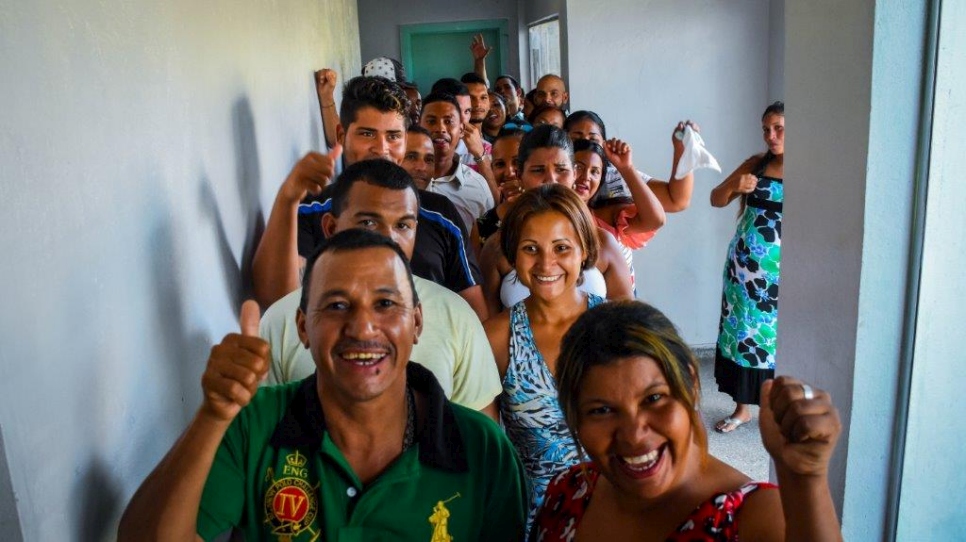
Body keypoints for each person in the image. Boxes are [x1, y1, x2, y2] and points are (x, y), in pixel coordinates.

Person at [118, 229, 528, 540]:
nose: (362, 327)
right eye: (336, 306)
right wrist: (213, 415)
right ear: (303, 328)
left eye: (385, 304)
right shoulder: (256, 423)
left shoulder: (482, 449)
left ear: (417, 323)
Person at [532, 300, 842, 541]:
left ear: (692, 385)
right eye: (601, 410)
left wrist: (806, 480)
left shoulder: (753, 520)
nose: (634, 435)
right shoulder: (568, 492)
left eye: (654, 399)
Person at [261, 159, 501, 421]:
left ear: (417, 321)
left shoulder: (455, 315)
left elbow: (479, 437)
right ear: (331, 228)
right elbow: (261, 433)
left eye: (403, 226)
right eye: (368, 222)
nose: (389, 238)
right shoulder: (282, 319)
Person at [483, 184, 606, 529]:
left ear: (583, 250)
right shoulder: (496, 337)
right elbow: (490, 451)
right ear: (513, 254)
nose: (546, 263)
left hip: (613, 510)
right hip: (534, 518)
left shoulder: (615, 327)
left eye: (561, 247)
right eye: (530, 249)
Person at [478, 125, 633, 316]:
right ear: (520, 175)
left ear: (574, 173)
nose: (550, 179)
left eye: (561, 170)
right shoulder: (497, 247)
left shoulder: (603, 242)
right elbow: (485, 327)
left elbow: (628, 324)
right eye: (538, 170)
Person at [709, 101, 785, 433]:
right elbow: (716, 197)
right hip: (744, 268)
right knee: (741, 333)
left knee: (776, 339)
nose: (771, 135)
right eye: (766, 129)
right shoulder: (756, 164)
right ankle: (742, 409)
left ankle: (775, 411)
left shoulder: (810, 167)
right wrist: (735, 186)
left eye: (779, 128)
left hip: (782, 272)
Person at [572, 138, 665, 291]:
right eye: (579, 167)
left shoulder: (606, 216)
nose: (586, 177)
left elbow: (656, 219)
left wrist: (626, 168)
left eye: (595, 172)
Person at [565, 110, 695, 212]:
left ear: (604, 146)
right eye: (576, 139)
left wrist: (682, 149)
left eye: (593, 140)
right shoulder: (555, 178)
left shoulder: (618, 177)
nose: (586, 145)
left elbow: (677, 201)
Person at [420, 91, 497, 232]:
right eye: (431, 121)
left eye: (448, 121)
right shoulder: (402, 178)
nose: (440, 128)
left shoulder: (477, 187)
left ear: (461, 130)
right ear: (419, 126)